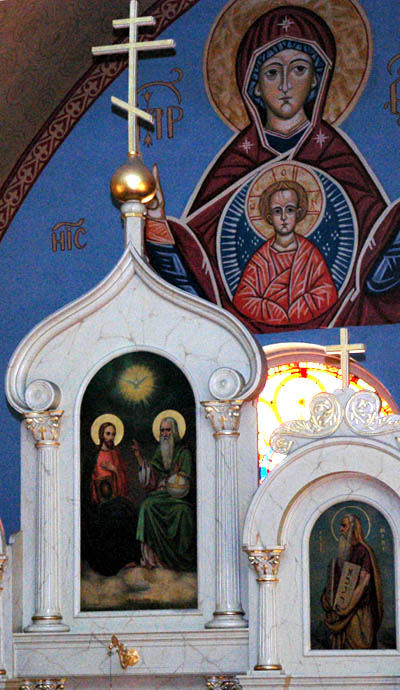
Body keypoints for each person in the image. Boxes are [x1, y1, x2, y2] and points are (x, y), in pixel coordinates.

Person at [145, 5, 400, 332]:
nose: (285, 85)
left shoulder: (335, 155)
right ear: (253, 84)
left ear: (316, 79)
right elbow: (196, 277)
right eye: (272, 72)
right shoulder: (237, 162)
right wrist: (155, 220)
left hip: (342, 332)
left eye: (298, 69)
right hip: (240, 344)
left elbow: (376, 272)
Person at [233, 180, 337, 324]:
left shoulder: (309, 253)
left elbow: (327, 292)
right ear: (269, 218)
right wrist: (275, 313)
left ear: (298, 213)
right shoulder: (261, 259)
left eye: (289, 210)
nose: (283, 217)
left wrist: (297, 310)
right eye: (277, 211)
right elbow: (243, 298)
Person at [132, 417, 195, 571]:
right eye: (162, 430)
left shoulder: (184, 452)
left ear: (175, 431)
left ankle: (179, 560)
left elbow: (187, 477)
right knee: (147, 507)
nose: (165, 434)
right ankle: (152, 559)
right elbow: (152, 477)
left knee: (183, 512)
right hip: (159, 494)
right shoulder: (160, 451)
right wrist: (139, 458)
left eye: (168, 430)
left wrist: (177, 476)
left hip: (176, 496)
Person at [321, 514, 383, 649]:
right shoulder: (342, 553)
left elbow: (364, 583)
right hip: (338, 611)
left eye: (344, 526)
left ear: (353, 528)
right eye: (341, 526)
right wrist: (325, 598)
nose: (340, 529)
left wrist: (348, 608)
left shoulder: (363, 552)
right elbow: (333, 580)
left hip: (358, 614)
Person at [90, 422, 129, 504]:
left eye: (113, 434)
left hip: (115, 497)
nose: (111, 437)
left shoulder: (115, 454)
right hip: (99, 496)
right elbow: (89, 476)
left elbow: (124, 477)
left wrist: (114, 469)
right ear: (101, 435)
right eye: (108, 434)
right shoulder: (95, 454)